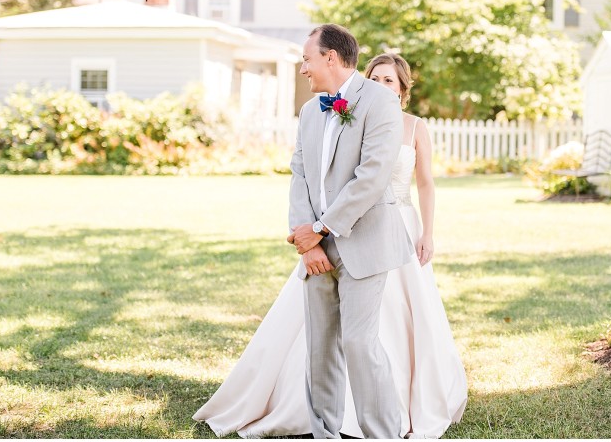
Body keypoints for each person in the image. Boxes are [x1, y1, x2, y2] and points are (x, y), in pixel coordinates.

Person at [193, 45, 468, 438]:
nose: (380, 85)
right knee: (319, 345)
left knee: (367, 337)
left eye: (388, 80)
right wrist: (308, 238)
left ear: (401, 89)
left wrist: (425, 231)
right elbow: (302, 175)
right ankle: (323, 427)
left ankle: (385, 425)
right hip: (323, 238)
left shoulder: (409, 125)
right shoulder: (322, 111)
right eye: (375, 78)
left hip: (383, 230)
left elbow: (394, 180)